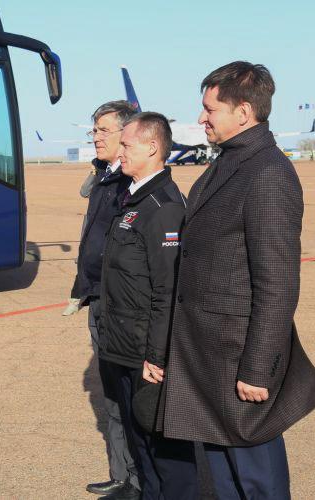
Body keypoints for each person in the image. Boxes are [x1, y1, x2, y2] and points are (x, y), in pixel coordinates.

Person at [158, 61, 315, 499]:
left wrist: (257, 368)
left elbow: (277, 284)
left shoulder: (268, 173)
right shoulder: (227, 163)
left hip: (238, 357)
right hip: (207, 352)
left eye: (209, 109)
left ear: (243, 112)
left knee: (257, 481)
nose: (201, 118)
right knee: (223, 479)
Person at [99, 112, 196, 500]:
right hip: (124, 348)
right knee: (141, 449)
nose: (119, 151)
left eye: (126, 144)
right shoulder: (133, 198)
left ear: (153, 147)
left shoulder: (164, 206)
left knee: (167, 455)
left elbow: (168, 291)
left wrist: (157, 356)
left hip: (147, 356)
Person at [66, 101, 140, 498]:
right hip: (97, 299)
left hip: (121, 305)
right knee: (111, 395)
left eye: (103, 131)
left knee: (130, 397)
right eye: (93, 130)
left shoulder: (131, 184)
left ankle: (139, 480)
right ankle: (121, 474)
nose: (95, 137)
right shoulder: (104, 178)